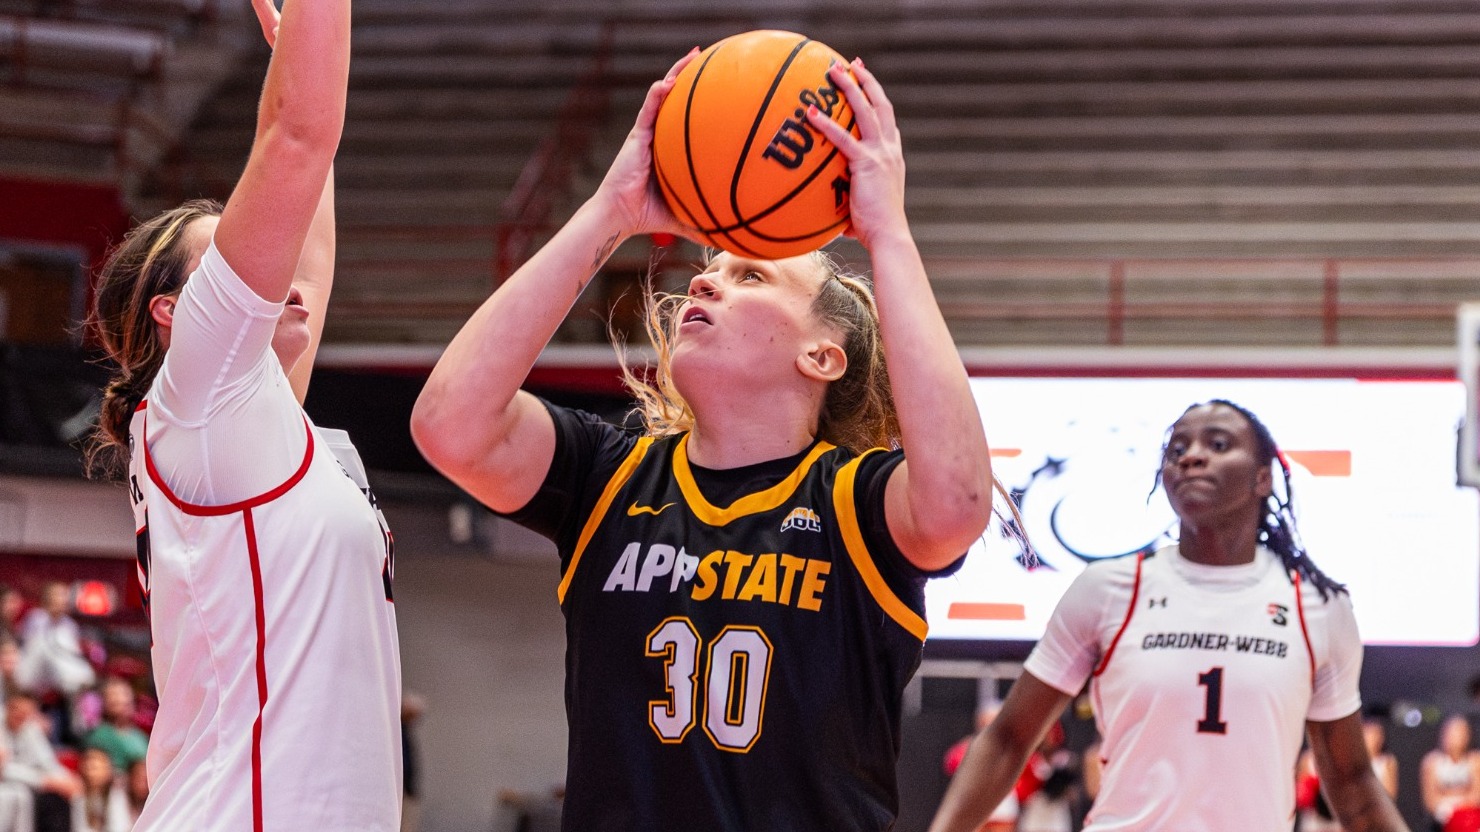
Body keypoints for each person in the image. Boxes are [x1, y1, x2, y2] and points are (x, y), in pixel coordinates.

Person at [412, 53, 999, 831]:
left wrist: (888, 234)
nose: (702, 281)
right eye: (707, 268)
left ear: (822, 356)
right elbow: (448, 425)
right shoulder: (610, 478)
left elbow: (958, 498)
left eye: (750, 276)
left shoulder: (854, 505)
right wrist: (607, 211)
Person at [83, 1, 401, 830]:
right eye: (243, 267)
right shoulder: (202, 389)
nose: (281, 272)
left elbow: (314, 254)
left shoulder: (240, 424)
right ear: (175, 314)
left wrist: (291, 50)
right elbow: (298, 142)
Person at [929, 400, 1409, 832]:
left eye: (1218, 444)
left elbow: (1352, 783)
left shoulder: (1318, 608)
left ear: (1263, 477)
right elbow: (1009, 738)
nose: (1192, 455)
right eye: (1177, 447)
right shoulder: (1109, 590)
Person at [1, 689, 79, 832]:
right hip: (7, 786)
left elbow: (48, 762)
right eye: (16, 709)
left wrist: (65, 779)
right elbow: (3, 769)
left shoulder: (30, 729)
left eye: (26, 713)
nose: (20, 715)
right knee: (18, 795)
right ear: (8, 706)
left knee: (64, 793)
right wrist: (44, 781)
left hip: (26, 784)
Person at [1421, 715, 1480, 831]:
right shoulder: (1431, 762)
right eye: (1453, 733)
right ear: (1444, 735)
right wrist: (1450, 806)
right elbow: (1430, 800)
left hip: (1469, 816)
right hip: (1442, 818)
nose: (1457, 737)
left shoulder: (1475, 760)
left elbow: (1476, 795)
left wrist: (1458, 804)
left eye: (1461, 732)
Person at [80, 678, 145, 773]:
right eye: (113, 695)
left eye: (125, 694)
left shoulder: (140, 736)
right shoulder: (98, 736)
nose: (120, 700)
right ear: (104, 702)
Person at [69, 749, 129, 832]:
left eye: (95, 768)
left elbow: (120, 827)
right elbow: (79, 828)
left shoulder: (117, 796)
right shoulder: (78, 797)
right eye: (87, 768)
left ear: (108, 770)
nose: (91, 774)